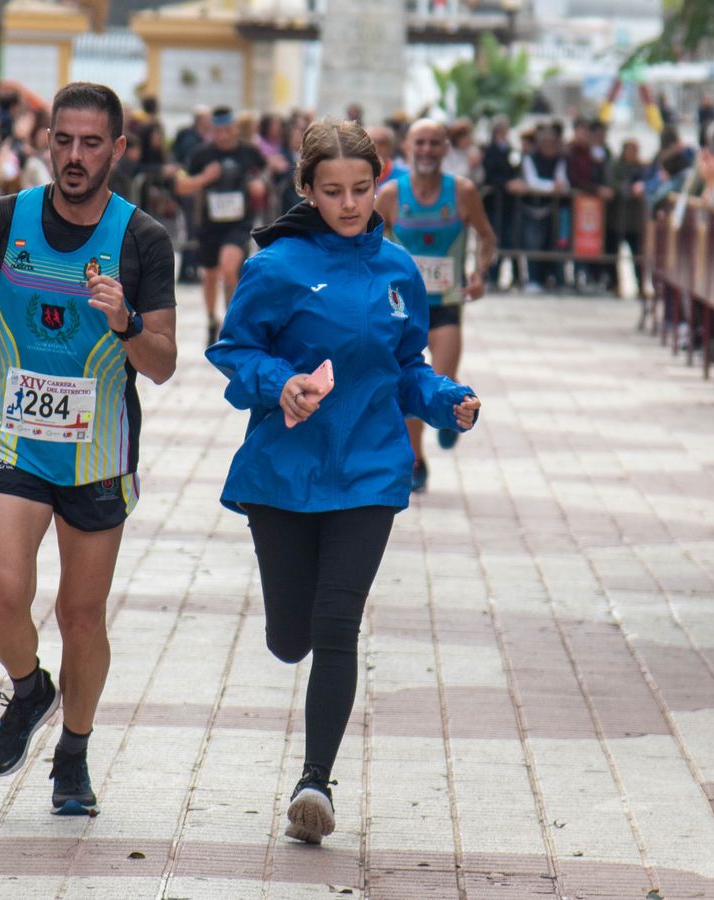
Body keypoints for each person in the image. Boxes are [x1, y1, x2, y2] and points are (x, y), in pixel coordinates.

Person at [206, 118, 481, 844]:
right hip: (283, 477)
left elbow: (407, 367)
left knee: (336, 625)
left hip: (369, 472)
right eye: (333, 191)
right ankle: (289, 647)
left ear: (377, 182)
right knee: (290, 636)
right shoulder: (276, 267)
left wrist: (447, 396)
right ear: (307, 189)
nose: (350, 203)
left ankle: (314, 784)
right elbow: (234, 352)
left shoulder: (398, 269)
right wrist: (281, 382)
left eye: (361, 189)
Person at [0, 82, 177, 816]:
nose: (75, 157)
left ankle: (73, 753)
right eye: (63, 141)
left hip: (98, 451)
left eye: (91, 143)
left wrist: (127, 321)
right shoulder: (5, 219)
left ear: (118, 150)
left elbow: (163, 362)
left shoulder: (143, 240)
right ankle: (30, 688)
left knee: (81, 614)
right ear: (47, 141)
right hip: (13, 435)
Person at [374, 118, 496, 492]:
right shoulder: (392, 195)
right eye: (420, 143)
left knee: (441, 377)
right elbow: (367, 246)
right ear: (406, 148)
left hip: (445, 305)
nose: (426, 150)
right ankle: (416, 459)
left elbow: (487, 238)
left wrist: (480, 274)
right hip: (403, 310)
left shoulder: (462, 192)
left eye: (434, 143)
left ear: (446, 149)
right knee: (410, 384)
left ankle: (448, 413)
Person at [176, 106, 267, 345]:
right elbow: (181, 185)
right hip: (209, 223)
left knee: (229, 269)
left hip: (239, 223)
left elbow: (265, 173)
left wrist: (259, 183)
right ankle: (210, 320)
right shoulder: (201, 155)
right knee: (210, 275)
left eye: (227, 130)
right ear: (212, 130)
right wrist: (205, 178)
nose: (223, 135)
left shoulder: (249, 152)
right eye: (218, 130)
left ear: (235, 128)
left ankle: (231, 322)